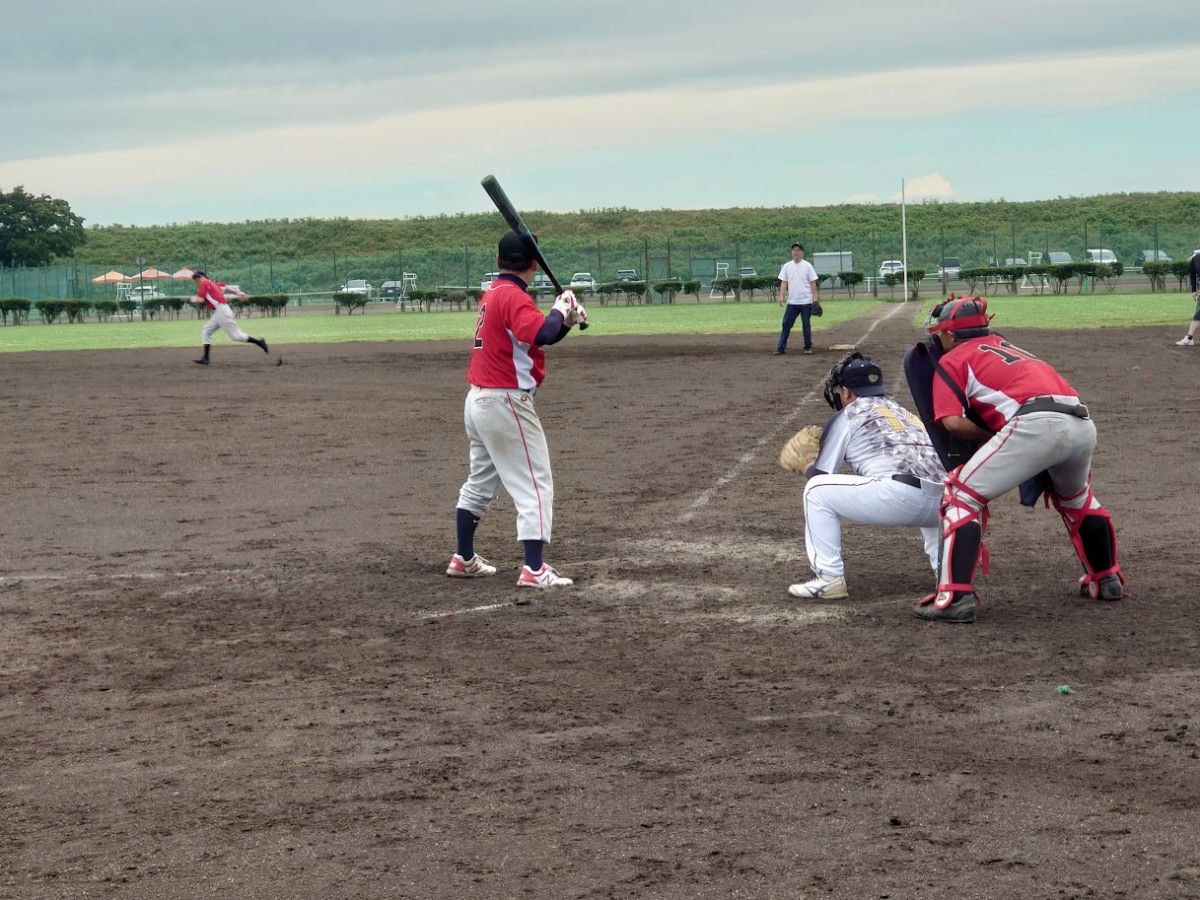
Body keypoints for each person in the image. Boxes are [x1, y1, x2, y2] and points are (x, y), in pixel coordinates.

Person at [910, 296, 1124, 624]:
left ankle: (953, 599)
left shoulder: (953, 360)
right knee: (1077, 499)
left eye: (941, 332)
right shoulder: (1013, 348)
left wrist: (990, 437)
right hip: (1081, 422)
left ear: (951, 334)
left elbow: (952, 423)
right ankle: (1106, 579)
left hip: (1035, 425)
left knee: (960, 496)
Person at [447, 231, 587, 589]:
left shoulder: (495, 292)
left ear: (499, 262)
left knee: (480, 482)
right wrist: (560, 308)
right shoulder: (513, 296)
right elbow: (540, 333)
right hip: (505, 401)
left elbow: (537, 337)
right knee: (535, 485)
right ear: (534, 265)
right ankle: (535, 569)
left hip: (480, 400)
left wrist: (565, 321)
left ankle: (463, 558)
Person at [788, 353, 946, 600]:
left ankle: (829, 579)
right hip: (946, 504)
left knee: (816, 490)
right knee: (929, 485)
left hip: (898, 498)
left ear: (846, 392)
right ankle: (947, 576)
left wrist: (806, 466)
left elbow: (821, 474)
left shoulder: (848, 415)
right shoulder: (906, 414)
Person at [189, 270, 269, 364]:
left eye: (197, 276)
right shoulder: (213, 284)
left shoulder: (204, 282)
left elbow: (201, 300)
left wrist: (193, 299)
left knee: (236, 336)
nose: (196, 279)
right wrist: (238, 293)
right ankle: (206, 358)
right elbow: (226, 287)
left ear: (203, 276)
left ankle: (259, 342)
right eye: (194, 277)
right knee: (206, 331)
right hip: (219, 312)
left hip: (221, 311)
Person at [775, 242, 820, 355]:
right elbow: (784, 282)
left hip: (806, 302)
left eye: (798, 250)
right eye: (794, 250)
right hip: (792, 302)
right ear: (792, 252)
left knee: (806, 324)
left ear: (802, 253)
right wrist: (781, 296)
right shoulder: (787, 266)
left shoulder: (807, 266)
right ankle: (781, 348)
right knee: (786, 324)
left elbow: (813, 283)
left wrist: (815, 299)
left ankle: (807, 347)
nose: (796, 252)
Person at [1174, 249, 1200, 346]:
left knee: (1198, 315)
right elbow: (1192, 275)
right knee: (1198, 315)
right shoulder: (1195, 259)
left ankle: (1189, 338)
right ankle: (1189, 338)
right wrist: (1194, 290)